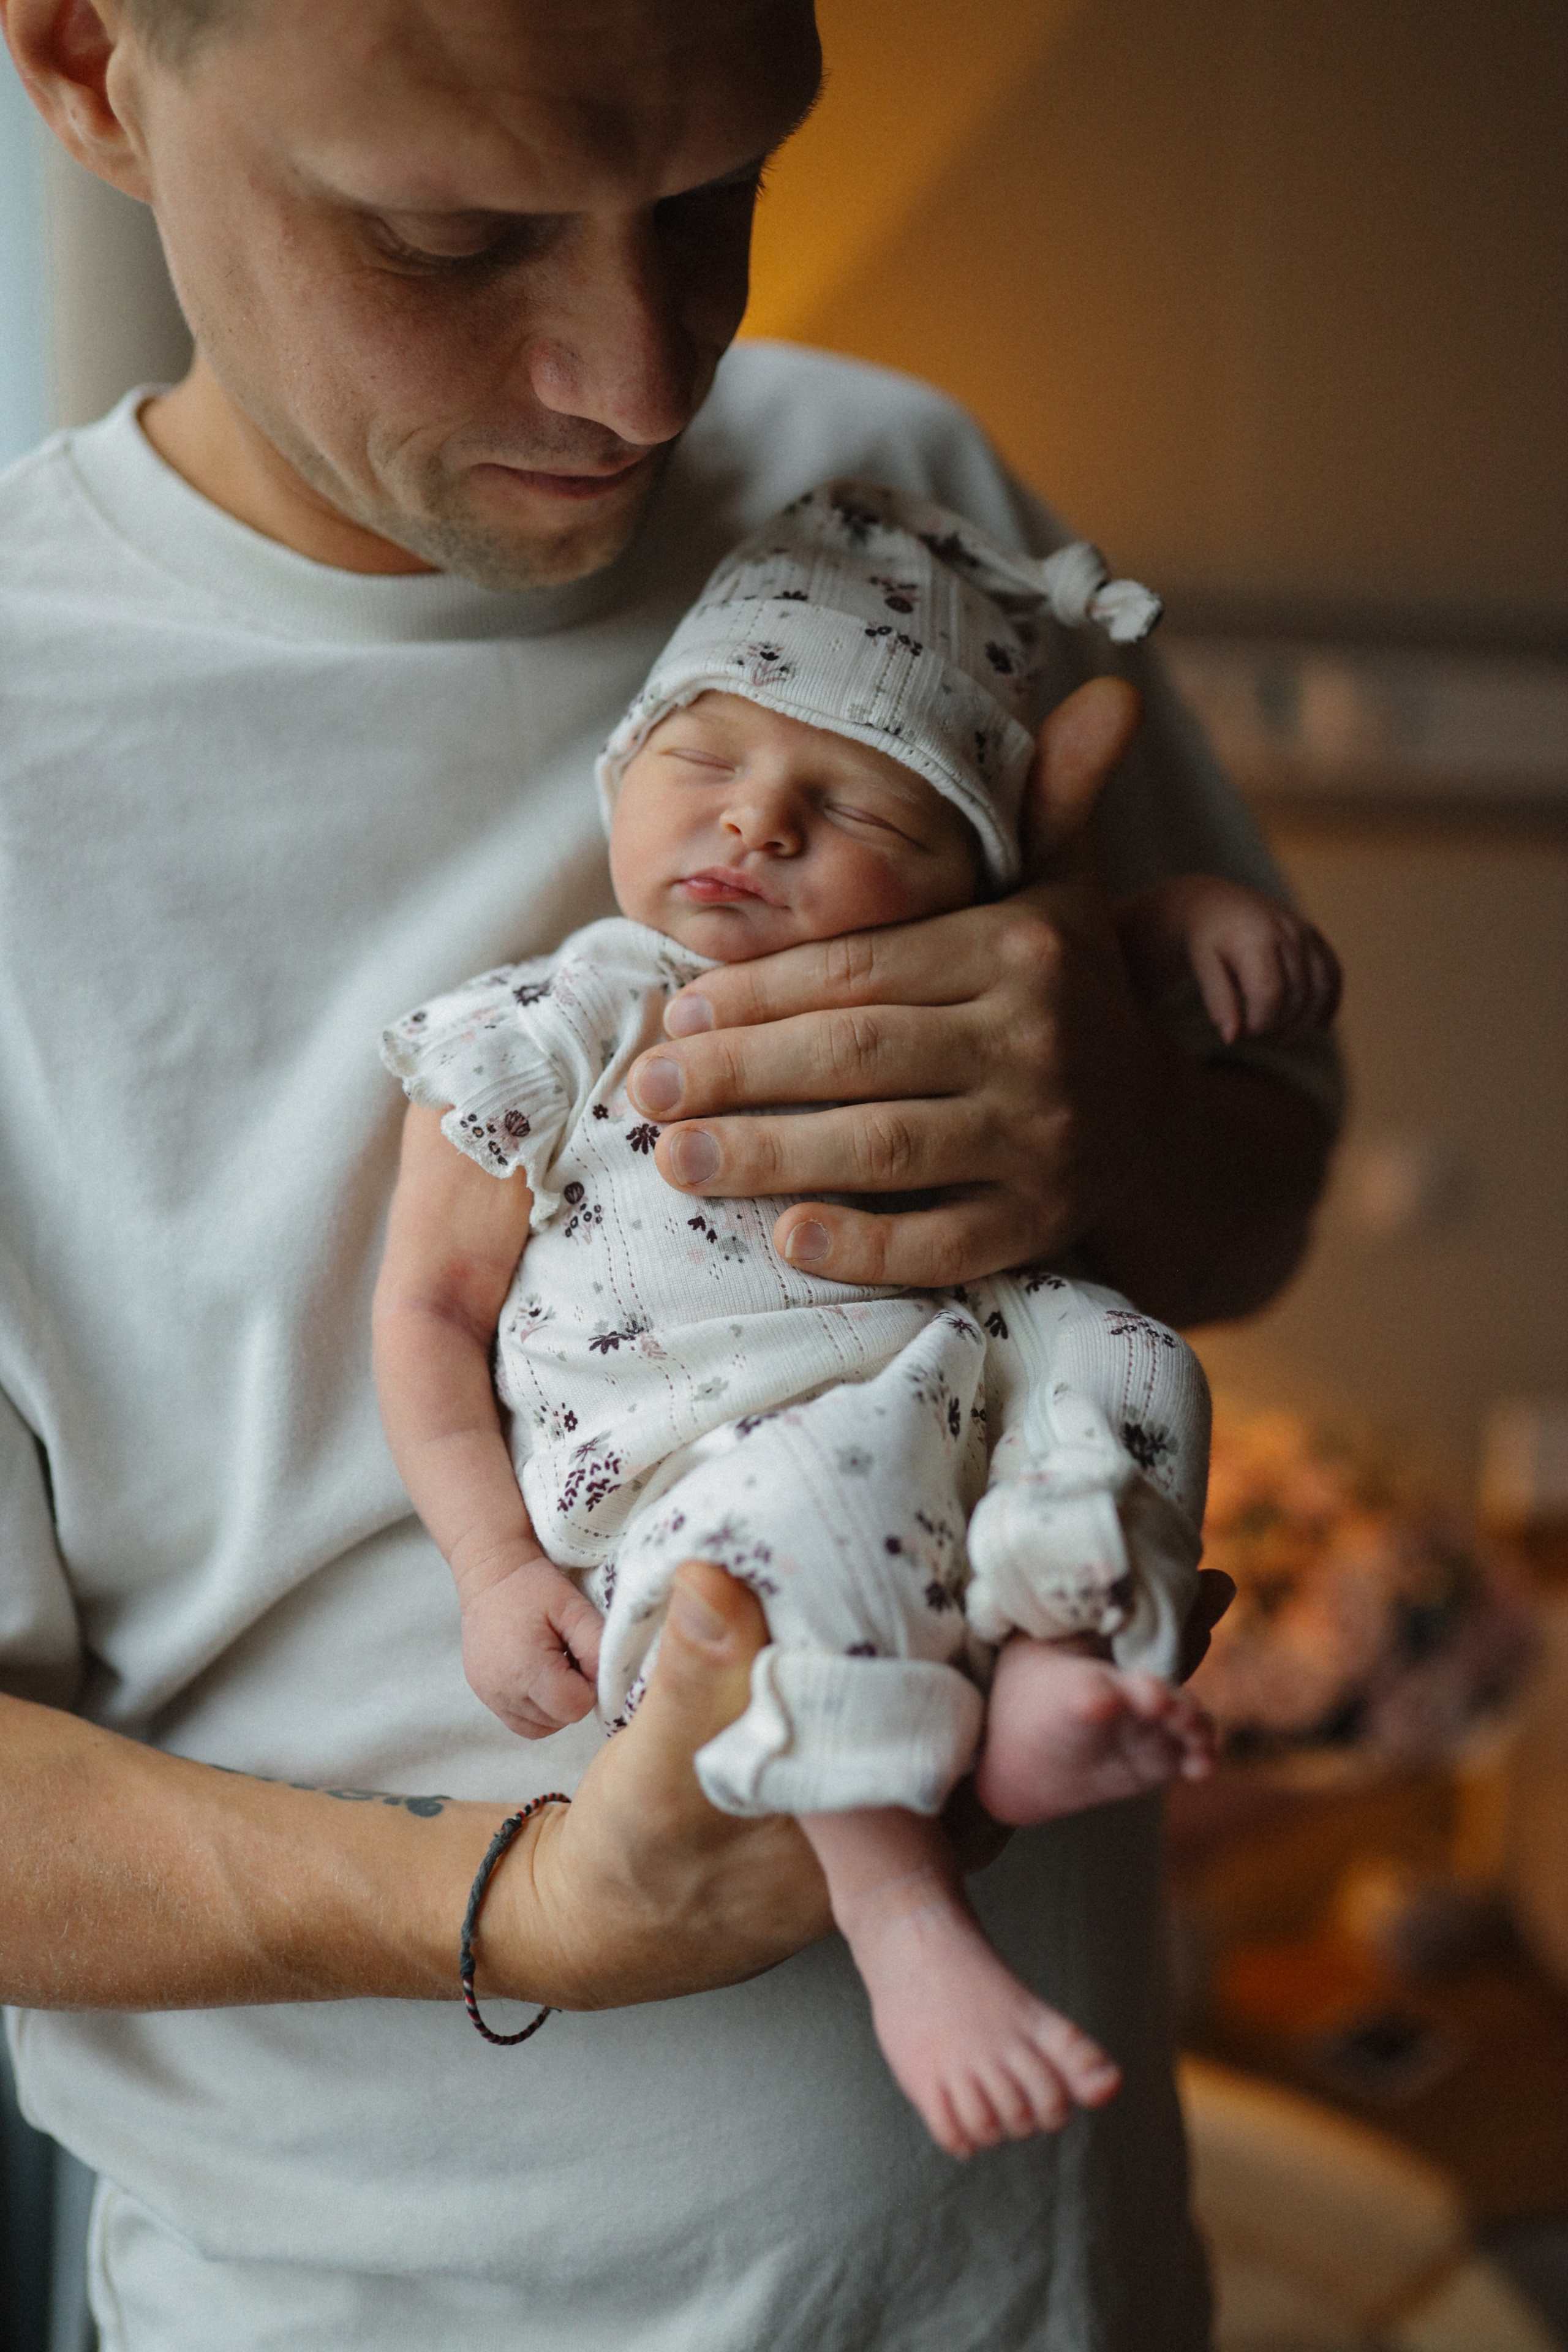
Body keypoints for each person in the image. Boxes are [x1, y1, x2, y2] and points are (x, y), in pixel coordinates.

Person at [0, 1, 1340, 2344]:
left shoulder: (901, 506)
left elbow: (1253, 1214)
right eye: (453, 233)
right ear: (91, 65)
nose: (641, 380)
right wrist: (524, 1906)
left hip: (1062, 2291)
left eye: (719, 190)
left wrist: (1120, 1122)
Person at [374, 480, 1341, 2160]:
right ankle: (904, 1917)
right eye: (704, 761)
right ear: (623, 774)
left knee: (1133, 1360)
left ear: (969, 864)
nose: (755, 824)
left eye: (856, 803)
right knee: (804, 1516)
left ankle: (1055, 1650)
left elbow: (1099, 969)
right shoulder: (568, 1012)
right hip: (705, 1463)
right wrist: (491, 1566)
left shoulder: (961, 975)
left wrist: (1200, 922)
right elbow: (427, 1306)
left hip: (954, 1391)